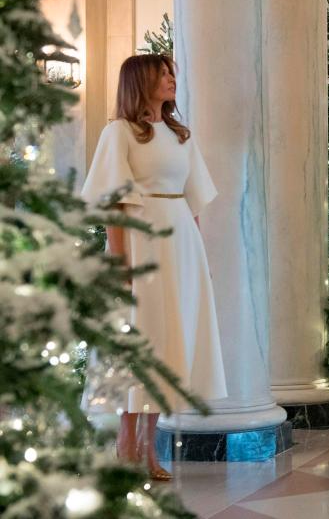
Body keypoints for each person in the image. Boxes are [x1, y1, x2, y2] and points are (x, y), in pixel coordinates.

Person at [81, 54, 227, 481]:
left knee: (166, 343)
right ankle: (125, 450)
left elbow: (193, 200)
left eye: (171, 74)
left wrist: (199, 259)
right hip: (141, 242)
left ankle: (149, 452)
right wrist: (121, 265)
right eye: (162, 74)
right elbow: (113, 204)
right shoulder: (119, 133)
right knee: (136, 344)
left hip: (179, 244)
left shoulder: (181, 136)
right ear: (140, 81)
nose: (170, 80)